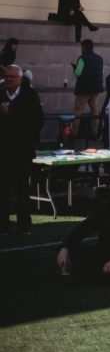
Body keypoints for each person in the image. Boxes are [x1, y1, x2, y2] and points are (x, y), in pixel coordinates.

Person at [0, 64, 44, 234]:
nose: (9, 80)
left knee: (22, 189)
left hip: (22, 150)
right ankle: (3, 225)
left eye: (12, 77)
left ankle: (24, 225)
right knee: (3, 190)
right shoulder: (1, 94)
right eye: (7, 77)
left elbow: (38, 121)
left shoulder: (30, 95)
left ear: (19, 78)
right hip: (3, 149)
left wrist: (14, 115)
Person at [71, 39, 104, 140]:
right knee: (94, 111)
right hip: (96, 89)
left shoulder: (82, 58)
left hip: (83, 89)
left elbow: (78, 73)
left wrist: (75, 69)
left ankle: (74, 134)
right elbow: (101, 72)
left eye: (81, 47)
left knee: (78, 110)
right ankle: (94, 133)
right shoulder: (99, 58)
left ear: (84, 47)